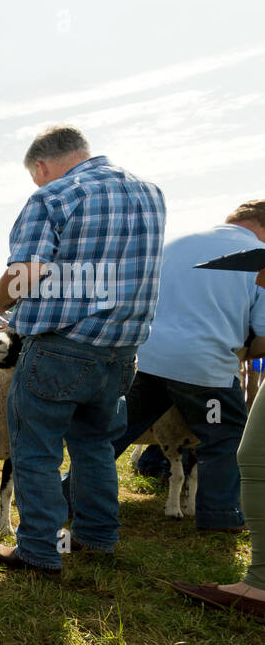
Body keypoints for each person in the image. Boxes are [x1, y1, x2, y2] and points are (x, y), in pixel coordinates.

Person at [0, 125, 165, 576]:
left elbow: (28, 269)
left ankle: (39, 549)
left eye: (37, 177)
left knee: (37, 450)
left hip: (62, 349)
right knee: (95, 445)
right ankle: (98, 535)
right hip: (121, 351)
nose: (39, 185)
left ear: (41, 166)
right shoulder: (151, 193)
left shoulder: (55, 197)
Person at [72, 200, 265, 532]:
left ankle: (65, 495)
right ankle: (220, 516)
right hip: (206, 373)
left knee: (114, 433)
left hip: (145, 359)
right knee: (223, 436)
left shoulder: (175, 243)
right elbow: (264, 336)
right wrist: (243, 353)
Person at [175, 260, 265, 617]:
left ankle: (258, 582)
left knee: (250, 454)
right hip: (210, 370)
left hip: (191, 366)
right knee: (240, 448)